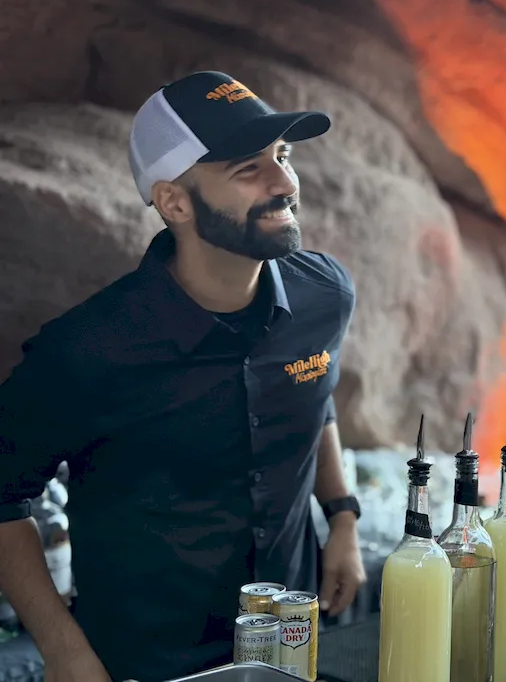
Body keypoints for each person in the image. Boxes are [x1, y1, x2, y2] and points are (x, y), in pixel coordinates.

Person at [0, 71, 366, 681]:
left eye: (283, 157)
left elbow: (312, 392)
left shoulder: (324, 294)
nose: (285, 184)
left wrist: (345, 518)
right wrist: (64, 651)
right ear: (174, 202)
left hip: (289, 649)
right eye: (249, 169)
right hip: (144, 664)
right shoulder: (88, 350)